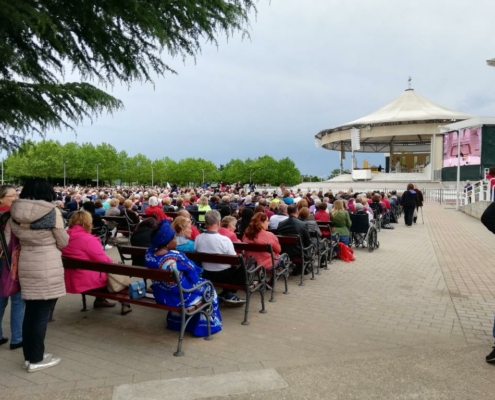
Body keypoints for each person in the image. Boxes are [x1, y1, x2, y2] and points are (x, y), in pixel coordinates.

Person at [6, 178, 68, 372]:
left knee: (30, 312)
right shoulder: (52, 211)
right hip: (47, 264)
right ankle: (36, 359)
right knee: (41, 313)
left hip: (26, 261)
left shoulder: (14, 212)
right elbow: (63, 241)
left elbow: (9, 238)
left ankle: (30, 355)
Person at [145, 220, 222, 336]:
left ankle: (176, 322)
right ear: (167, 243)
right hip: (181, 296)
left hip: (161, 294)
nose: (176, 241)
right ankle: (205, 325)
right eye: (174, 238)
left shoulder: (149, 255)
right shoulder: (176, 256)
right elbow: (194, 273)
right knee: (208, 287)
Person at [61, 211, 132, 314]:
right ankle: (125, 304)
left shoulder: (64, 236)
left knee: (102, 269)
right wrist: (116, 264)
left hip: (68, 277)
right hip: (83, 279)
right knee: (119, 272)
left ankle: (100, 300)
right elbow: (103, 261)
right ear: (88, 222)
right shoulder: (88, 239)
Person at [195, 210, 245, 305]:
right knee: (241, 265)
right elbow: (234, 261)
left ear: (205, 223)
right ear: (219, 222)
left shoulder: (198, 238)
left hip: (206, 272)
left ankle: (226, 293)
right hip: (224, 275)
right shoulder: (225, 240)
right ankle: (228, 293)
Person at [0, 185, 24, 350]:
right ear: (1, 198)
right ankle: (17, 338)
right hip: (11, 260)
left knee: (1, 299)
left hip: (2, 260)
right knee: (17, 300)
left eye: (17, 195)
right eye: (12, 196)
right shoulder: (11, 216)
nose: (16, 198)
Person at [277, 204, 312, 275]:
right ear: (297, 212)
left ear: (287, 212)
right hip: (298, 252)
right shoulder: (302, 224)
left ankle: (299, 269)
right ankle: (301, 268)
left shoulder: (281, 224)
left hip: (283, 251)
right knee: (309, 247)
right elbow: (307, 242)